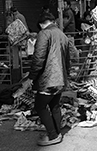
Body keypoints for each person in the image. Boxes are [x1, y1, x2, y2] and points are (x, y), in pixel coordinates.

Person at [21, 12, 70, 146]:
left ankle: (53, 136)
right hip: (60, 79)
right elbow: (68, 60)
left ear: (42, 24)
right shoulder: (62, 35)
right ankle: (57, 132)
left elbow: (38, 58)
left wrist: (31, 77)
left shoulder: (44, 34)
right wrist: (67, 76)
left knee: (40, 106)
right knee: (54, 105)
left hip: (49, 79)